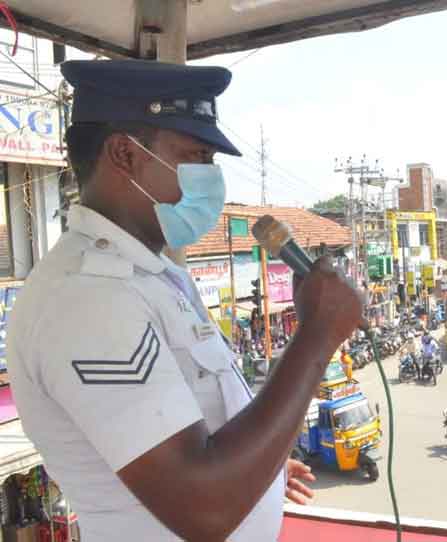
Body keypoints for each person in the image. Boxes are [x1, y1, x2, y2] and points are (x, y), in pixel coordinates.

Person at [6, 60, 365, 542]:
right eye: (197, 156)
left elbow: (198, 434)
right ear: (124, 155)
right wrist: (317, 335)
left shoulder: (156, 273)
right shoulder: (88, 297)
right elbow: (205, 508)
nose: (211, 178)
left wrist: (261, 466)